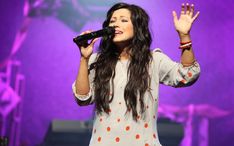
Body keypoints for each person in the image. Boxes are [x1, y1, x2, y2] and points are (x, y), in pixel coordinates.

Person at [72, 2, 200, 146]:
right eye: (112, 21)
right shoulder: (97, 61)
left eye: (123, 20)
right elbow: (82, 98)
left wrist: (184, 36)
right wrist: (84, 58)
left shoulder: (153, 61)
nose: (115, 24)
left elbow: (187, 75)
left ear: (138, 27)